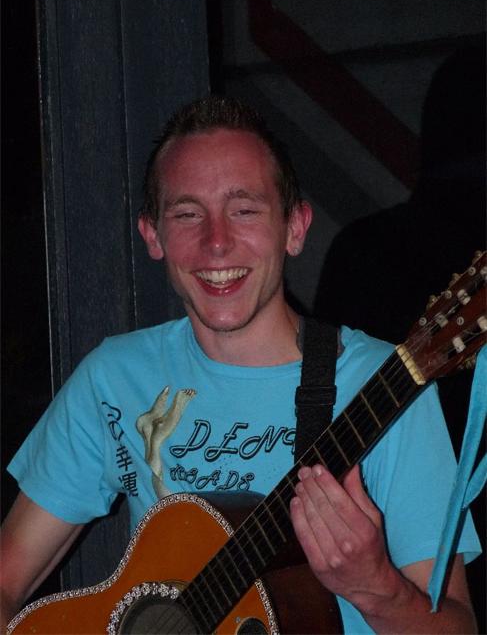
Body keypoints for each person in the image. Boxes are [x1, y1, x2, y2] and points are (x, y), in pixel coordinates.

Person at [0, 96, 480, 634]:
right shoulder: (113, 379)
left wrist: (375, 587)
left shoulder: (385, 387)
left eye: (244, 209)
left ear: (295, 228)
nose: (217, 242)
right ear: (153, 235)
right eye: (187, 214)